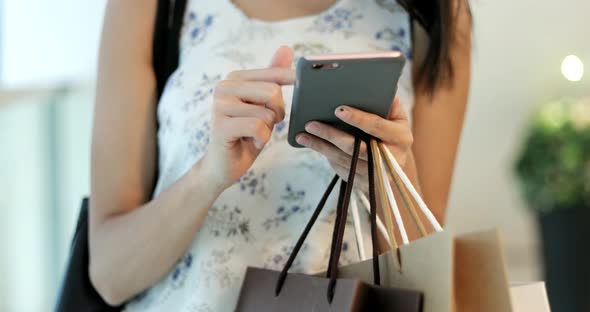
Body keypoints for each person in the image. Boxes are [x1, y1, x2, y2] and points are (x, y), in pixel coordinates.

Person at [89, 0, 472, 310]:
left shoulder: (432, 12)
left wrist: (387, 180)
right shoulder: (150, 8)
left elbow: (426, 274)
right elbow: (110, 275)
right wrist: (209, 175)